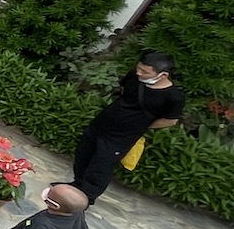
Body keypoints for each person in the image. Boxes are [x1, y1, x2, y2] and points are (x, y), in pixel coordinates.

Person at [72, 51, 184, 203]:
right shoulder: (134, 77)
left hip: (122, 136)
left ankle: (86, 197)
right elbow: (124, 93)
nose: (139, 73)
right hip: (102, 123)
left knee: (101, 165)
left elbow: (170, 120)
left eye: (145, 72)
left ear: (163, 75)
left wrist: (140, 125)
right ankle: (75, 187)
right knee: (83, 154)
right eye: (139, 68)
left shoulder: (173, 97)